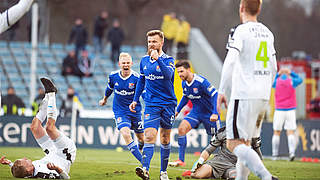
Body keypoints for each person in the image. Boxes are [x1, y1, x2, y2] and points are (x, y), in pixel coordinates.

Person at [217, 0, 278, 179]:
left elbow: (231, 60)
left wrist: (221, 91)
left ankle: (266, 176)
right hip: (262, 96)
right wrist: (265, 87)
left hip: (243, 95)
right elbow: (274, 66)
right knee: (246, 144)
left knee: (233, 144)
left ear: (241, 8)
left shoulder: (241, 31)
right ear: (259, 9)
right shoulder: (268, 33)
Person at [0, 77, 76, 179]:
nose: (25, 158)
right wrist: (57, 169)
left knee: (34, 127)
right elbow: (66, 178)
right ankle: (52, 94)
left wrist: (10, 164)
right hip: (65, 154)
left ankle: (47, 95)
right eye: (24, 161)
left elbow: (20, 173)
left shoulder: (27, 172)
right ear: (28, 169)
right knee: (49, 128)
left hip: (51, 152)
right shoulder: (45, 174)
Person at [129, 30, 176, 180]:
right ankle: (145, 169)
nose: (151, 44)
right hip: (151, 104)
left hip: (168, 104)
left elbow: (168, 76)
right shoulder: (144, 61)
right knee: (149, 136)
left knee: (165, 139)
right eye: (149, 42)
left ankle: (163, 172)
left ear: (161, 43)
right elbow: (141, 81)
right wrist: (135, 100)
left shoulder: (168, 60)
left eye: (154, 41)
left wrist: (158, 60)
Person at [169, 60, 221, 167]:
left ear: (189, 70)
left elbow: (215, 94)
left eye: (181, 71)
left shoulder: (201, 82)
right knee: (181, 129)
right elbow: (185, 97)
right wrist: (177, 110)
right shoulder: (184, 83)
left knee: (218, 139)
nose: (179, 75)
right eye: (178, 72)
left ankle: (224, 161)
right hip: (196, 113)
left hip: (210, 114)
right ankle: (181, 160)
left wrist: (215, 113)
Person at [99, 52, 144, 163]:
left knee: (141, 138)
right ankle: (143, 163)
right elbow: (109, 88)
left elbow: (143, 94)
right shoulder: (113, 76)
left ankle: (141, 148)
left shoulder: (137, 78)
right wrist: (104, 99)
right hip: (120, 111)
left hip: (135, 111)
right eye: (123, 63)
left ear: (131, 63)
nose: (126, 65)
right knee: (125, 133)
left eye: (128, 63)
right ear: (119, 64)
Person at [272, 68, 303, 161]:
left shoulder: (276, 82)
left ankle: (274, 155)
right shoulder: (292, 81)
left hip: (279, 110)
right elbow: (300, 80)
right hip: (290, 110)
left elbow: (270, 82)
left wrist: (278, 74)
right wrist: (291, 73)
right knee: (290, 132)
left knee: (276, 132)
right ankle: (292, 153)